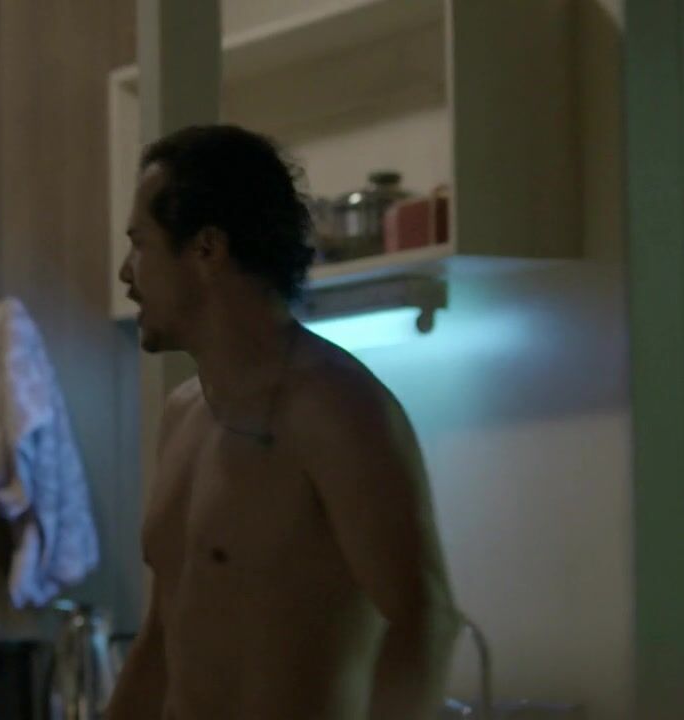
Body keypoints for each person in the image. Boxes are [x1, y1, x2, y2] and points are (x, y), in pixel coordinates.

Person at [106, 124, 461, 720]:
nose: (126, 273)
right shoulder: (183, 415)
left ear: (207, 249)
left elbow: (426, 621)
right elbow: (163, 642)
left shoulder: (334, 409)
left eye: (140, 244)